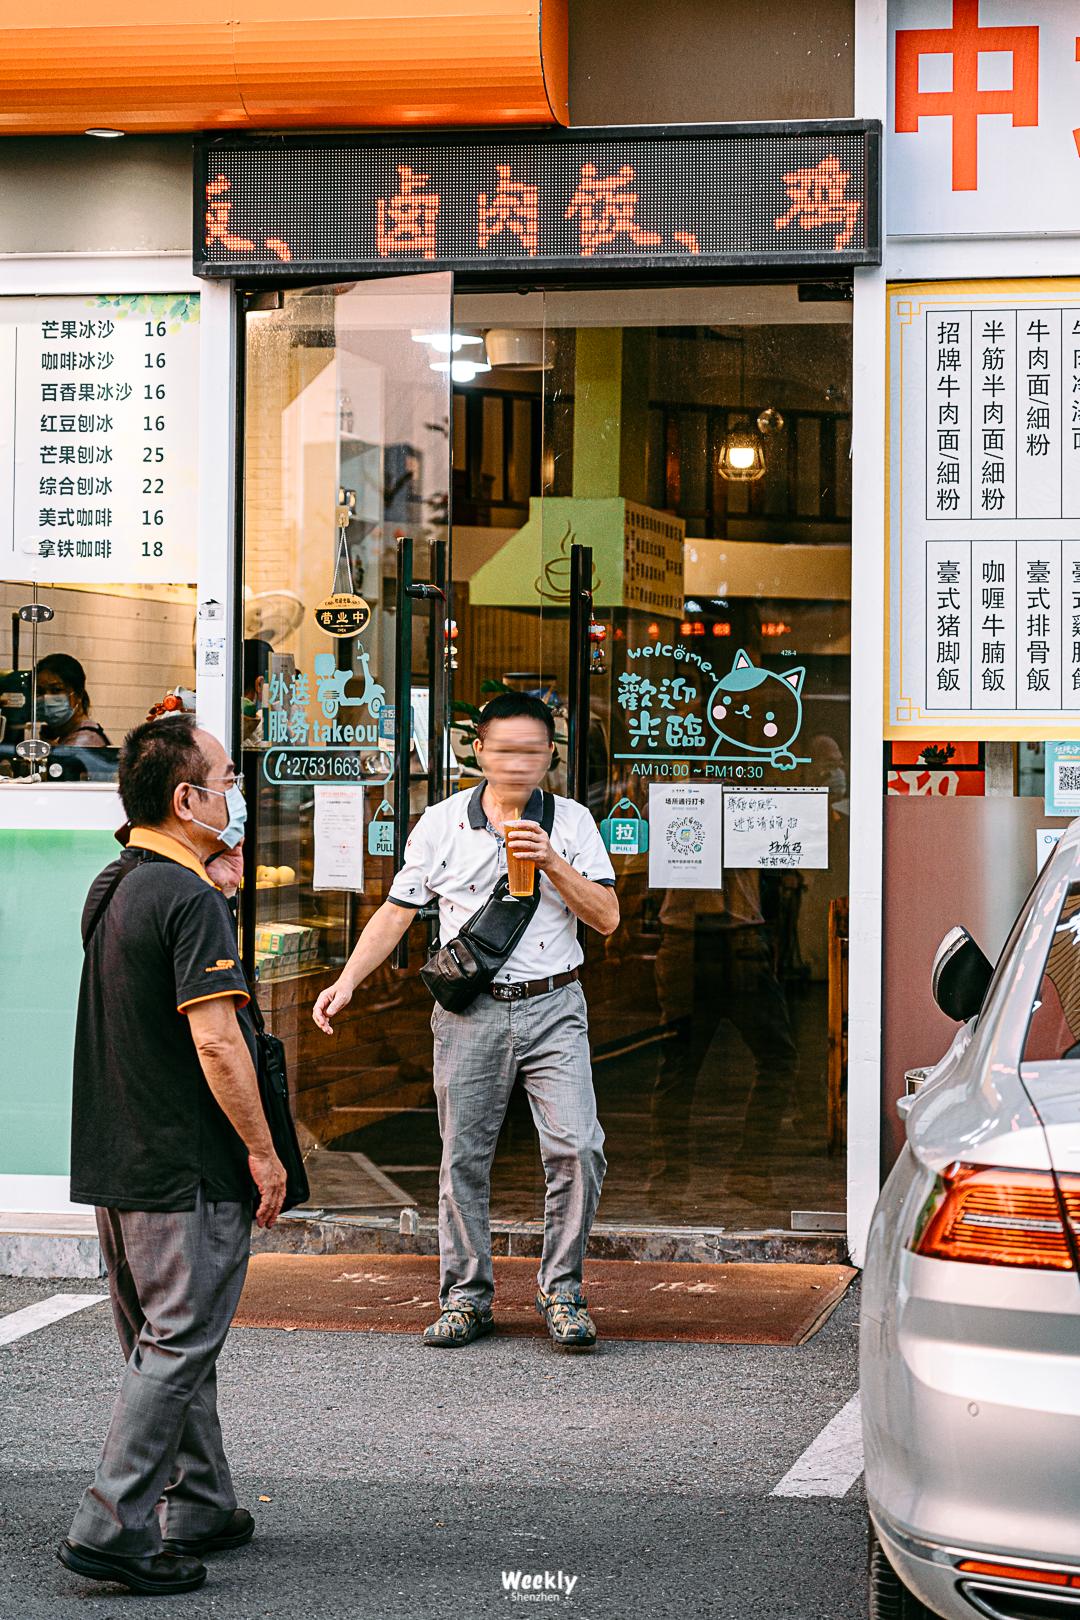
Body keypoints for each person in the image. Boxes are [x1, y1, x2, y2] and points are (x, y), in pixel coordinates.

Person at [313, 693, 619, 1352]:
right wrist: (346, 982)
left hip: (554, 1004)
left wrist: (553, 864)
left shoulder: (571, 823)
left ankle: (560, 1287)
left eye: (532, 751)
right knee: (462, 1161)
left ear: (550, 756)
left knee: (578, 1146)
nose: (518, 763)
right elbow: (397, 911)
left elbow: (607, 918)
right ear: (477, 750)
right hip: (470, 1011)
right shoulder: (441, 823)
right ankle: (465, 1295)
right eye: (504, 748)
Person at [59, 715, 286, 1597]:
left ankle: (199, 1502)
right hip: (180, 1161)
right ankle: (114, 1525)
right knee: (179, 1340)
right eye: (225, 781)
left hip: (116, 1153)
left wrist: (213, 888)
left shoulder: (118, 883)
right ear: (188, 799)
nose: (235, 796)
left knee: (164, 1341)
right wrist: (262, 1154)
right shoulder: (187, 900)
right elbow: (219, 1044)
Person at [35, 653, 110, 747]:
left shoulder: (85, 741)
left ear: (78, 695)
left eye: (56, 690)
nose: (46, 699)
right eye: (40, 691)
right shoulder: (67, 736)